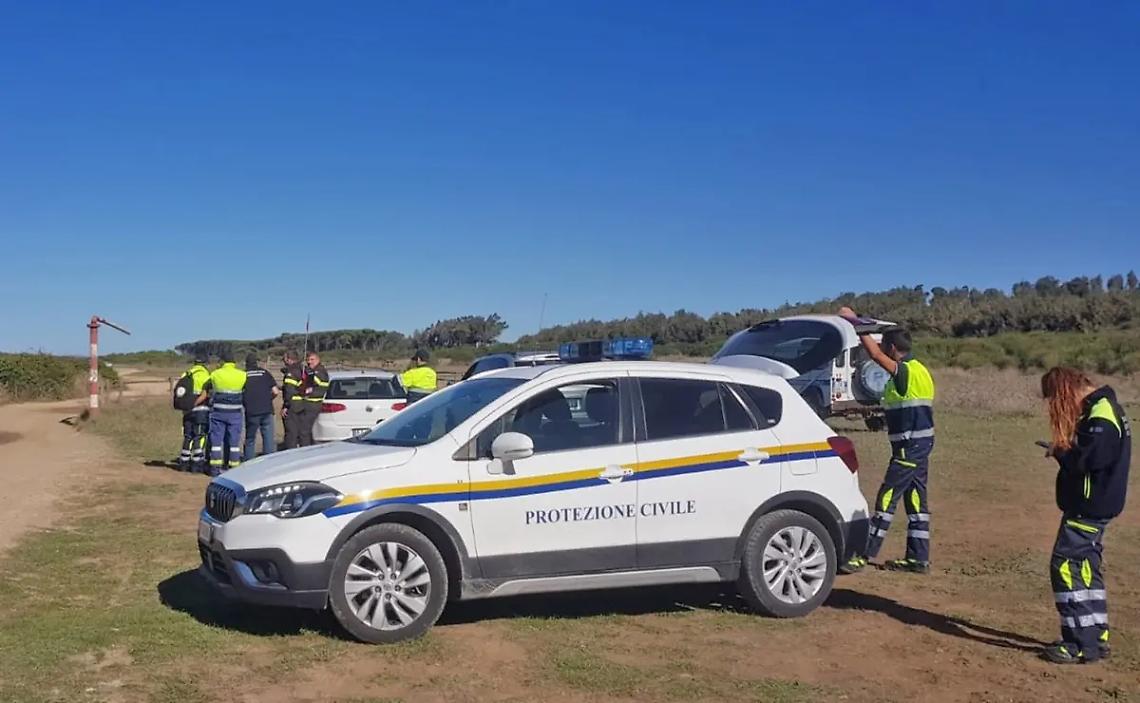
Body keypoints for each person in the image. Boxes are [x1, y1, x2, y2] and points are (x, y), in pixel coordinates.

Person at [1040, 367, 1131, 665]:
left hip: (1089, 507)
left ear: (1066, 390)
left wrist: (1061, 453)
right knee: (1087, 568)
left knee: (1064, 565)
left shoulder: (1101, 414)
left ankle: (1078, 642)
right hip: (1095, 506)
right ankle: (1096, 635)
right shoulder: (1102, 409)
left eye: (1054, 398)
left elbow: (1089, 459)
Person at [838, 309, 936, 574]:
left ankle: (864, 554)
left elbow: (876, 356)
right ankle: (918, 558)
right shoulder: (921, 371)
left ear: (893, 348)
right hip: (921, 445)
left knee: (887, 497)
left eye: (885, 346)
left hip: (909, 447)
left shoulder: (904, 371)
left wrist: (853, 321)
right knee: (916, 500)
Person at [199, 352, 247, 475]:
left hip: (218, 412)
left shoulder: (215, 374)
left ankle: (214, 469)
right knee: (234, 442)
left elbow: (207, 387)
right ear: (234, 363)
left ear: (222, 362)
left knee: (216, 441)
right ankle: (233, 468)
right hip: (235, 412)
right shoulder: (242, 375)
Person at [177, 353, 212, 472]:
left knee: (187, 436)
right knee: (199, 436)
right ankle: (197, 464)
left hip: (187, 411)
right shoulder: (207, 375)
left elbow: (181, 393)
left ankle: (183, 463)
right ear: (204, 363)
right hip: (201, 409)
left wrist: (186, 407)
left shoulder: (186, 373)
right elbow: (206, 394)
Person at [242, 353, 279, 461]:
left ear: (246, 363)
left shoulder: (244, 375)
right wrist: (268, 399)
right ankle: (268, 462)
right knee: (268, 439)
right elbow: (276, 392)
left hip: (252, 411)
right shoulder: (265, 373)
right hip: (267, 409)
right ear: (257, 362)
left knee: (250, 439)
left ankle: (249, 462)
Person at [296, 351, 330, 447]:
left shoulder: (319, 371)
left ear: (318, 360)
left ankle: (305, 451)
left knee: (304, 430)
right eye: (308, 360)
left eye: (312, 360)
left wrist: (308, 372)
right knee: (307, 430)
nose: (309, 362)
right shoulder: (312, 371)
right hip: (308, 404)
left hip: (314, 404)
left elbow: (319, 382)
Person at [280, 350, 305, 449]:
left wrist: (286, 406)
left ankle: (290, 455)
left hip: (293, 406)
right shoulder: (304, 369)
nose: (283, 362)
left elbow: (289, 391)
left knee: (291, 434)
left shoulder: (291, 372)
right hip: (305, 405)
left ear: (289, 359)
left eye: (284, 359)